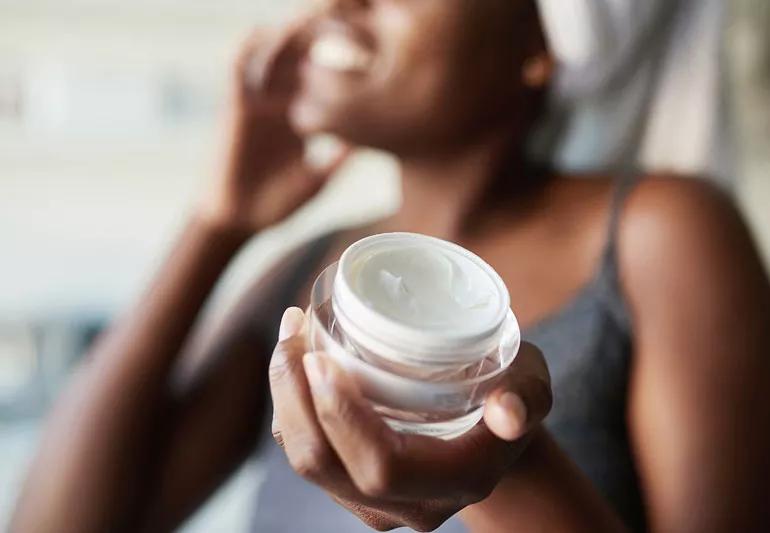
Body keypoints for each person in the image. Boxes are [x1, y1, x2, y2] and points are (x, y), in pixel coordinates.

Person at [12, 0, 770, 532]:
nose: (342, 1)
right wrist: (216, 224)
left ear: (542, 43)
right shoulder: (309, 270)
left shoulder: (660, 233)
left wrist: (507, 470)